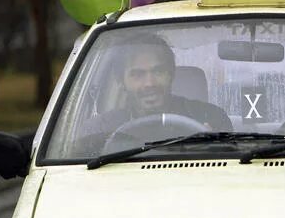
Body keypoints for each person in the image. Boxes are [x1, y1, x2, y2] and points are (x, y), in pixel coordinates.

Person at [78, 34, 232, 151]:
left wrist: (213, 145)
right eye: (138, 74)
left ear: (171, 74)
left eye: (158, 71)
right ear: (121, 82)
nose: (149, 83)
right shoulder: (98, 131)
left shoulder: (211, 118)